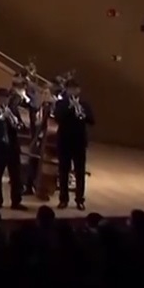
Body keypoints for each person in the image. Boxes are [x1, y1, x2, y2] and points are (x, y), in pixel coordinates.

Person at [54, 79, 93, 210]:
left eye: (75, 89)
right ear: (66, 90)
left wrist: (82, 111)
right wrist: (70, 107)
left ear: (79, 90)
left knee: (79, 172)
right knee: (63, 172)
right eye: (70, 89)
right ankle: (63, 199)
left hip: (79, 142)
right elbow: (58, 118)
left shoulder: (84, 104)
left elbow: (92, 120)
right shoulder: (61, 103)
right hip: (64, 141)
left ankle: (79, 200)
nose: (72, 91)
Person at [0, 87, 25, 210]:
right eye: (1, 99)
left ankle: (16, 201)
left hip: (12, 148)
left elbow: (20, 126)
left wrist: (15, 121)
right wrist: (2, 117)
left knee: (15, 176)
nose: (4, 101)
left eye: (6, 98)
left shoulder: (13, 110)